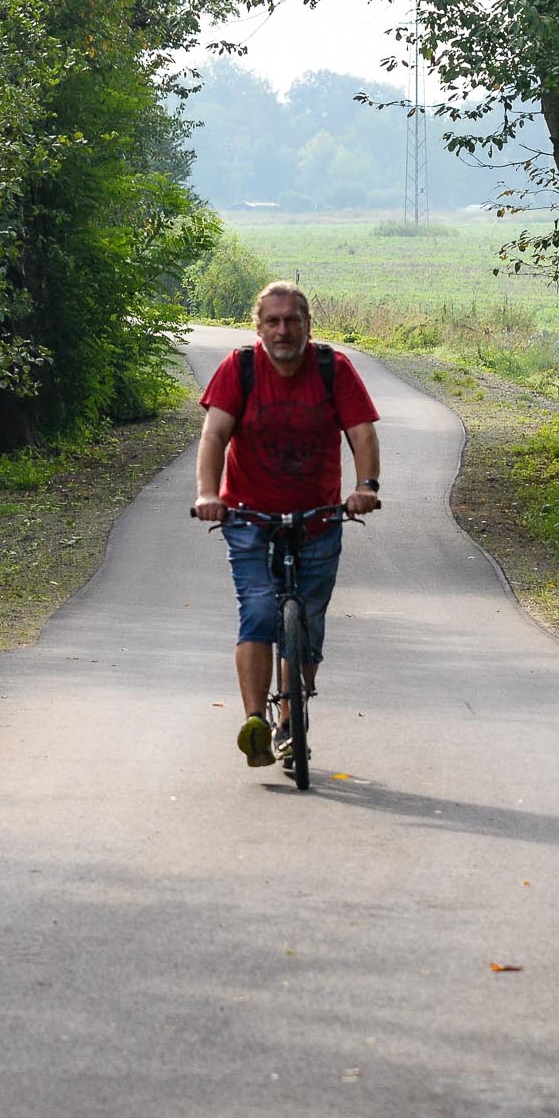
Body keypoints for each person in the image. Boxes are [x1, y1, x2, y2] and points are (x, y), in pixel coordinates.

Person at [190, 281, 382, 767]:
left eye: (291, 320)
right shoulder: (241, 369)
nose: (282, 329)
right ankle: (257, 721)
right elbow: (214, 434)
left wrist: (367, 487)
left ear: (307, 325)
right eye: (272, 321)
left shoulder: (331, 369)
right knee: (257, 611)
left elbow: (361, 431)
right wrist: (209, 495)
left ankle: (291, 717)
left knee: (309, 625)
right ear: (258, 327)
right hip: (250, 515)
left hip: (318, 515)